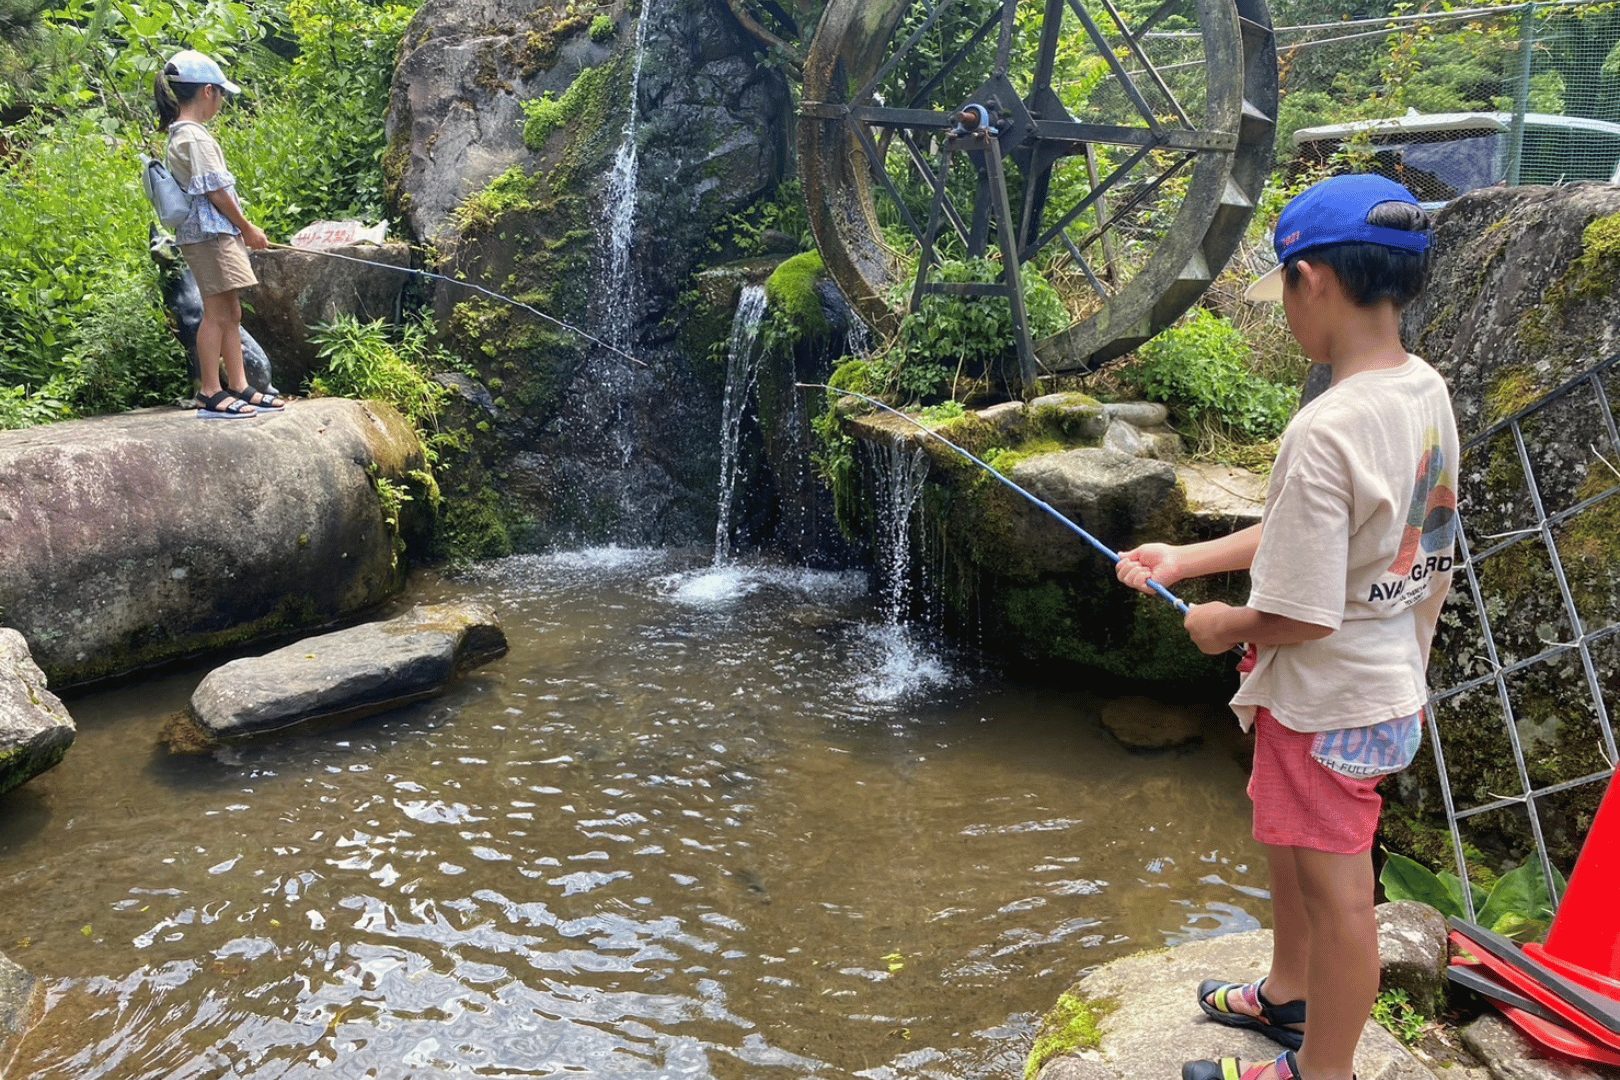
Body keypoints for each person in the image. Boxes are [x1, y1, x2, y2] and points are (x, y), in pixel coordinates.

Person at [1115, 174, 1458, 1080]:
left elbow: (1299, 612)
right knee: (1287, 842)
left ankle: (1322, 1070)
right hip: (1378, 686)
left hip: (1326, 703)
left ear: (1311, 280)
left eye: (1285, 297)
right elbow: (1385, 534)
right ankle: (1288, 994)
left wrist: (1224, 624)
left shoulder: (1324, 426)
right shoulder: (1421, 391)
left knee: (1341, 893)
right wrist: (1186, 562)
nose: (1286, 318)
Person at [154, 49, 284, 418]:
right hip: (208, 235)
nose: (222, 101)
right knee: (215, 313)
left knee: (231, 310)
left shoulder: (188, 134)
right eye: (222, 94)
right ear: (208, 91)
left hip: (215, 234)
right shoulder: (193, 137)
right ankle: (210, 390)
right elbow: (216, 191)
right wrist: (248, 228)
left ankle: (240, 385)